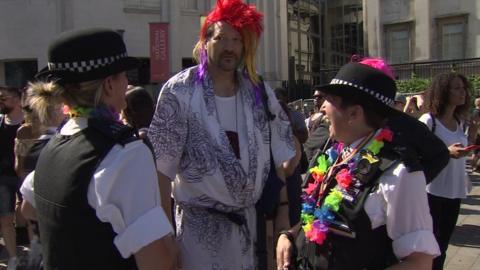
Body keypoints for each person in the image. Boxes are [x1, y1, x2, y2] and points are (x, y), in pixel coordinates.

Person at [147, 0, 295, 269]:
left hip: (251, 232)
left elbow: (284, 159)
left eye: (237, 40)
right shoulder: (180, 91)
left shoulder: (258, 90)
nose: (229, 47)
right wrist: (165, 234)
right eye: (221, 38)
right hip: (197, 234)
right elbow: (160, 171)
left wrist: (282, 214)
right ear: (205, 41)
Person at [21, 28, 175, 270]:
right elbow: (156, 261)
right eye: (124, 74)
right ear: (110, 84)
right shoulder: (126, 155)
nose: (127, 82)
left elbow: (28, 208)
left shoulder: (55, 145)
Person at [276, 58, 439, 270]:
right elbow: (318, 220)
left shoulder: (399, 173)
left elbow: (419, 262)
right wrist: (289, 235)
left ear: (354, 113)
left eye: (330, 100)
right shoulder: (335, 155)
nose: (323, 108)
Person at [418, 72, 473, 270]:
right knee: (431, 248)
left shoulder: (459, 122)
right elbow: (415, 154)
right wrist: (446, 153)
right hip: (432, 192)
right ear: (443, 92)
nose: (463, 92)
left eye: (463, 88)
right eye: (457, 88)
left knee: (442, 246)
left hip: (455, 191)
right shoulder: (428, 120)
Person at [0, 85, 24, 270]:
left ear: (17, 99)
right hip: (4, 178)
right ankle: (13, 259)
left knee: (32, 217)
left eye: (4, 98)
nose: (1, 102)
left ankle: (37, 254)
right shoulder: (0, 122)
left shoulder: (28, 122)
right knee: (6, 219)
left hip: (26, 175)